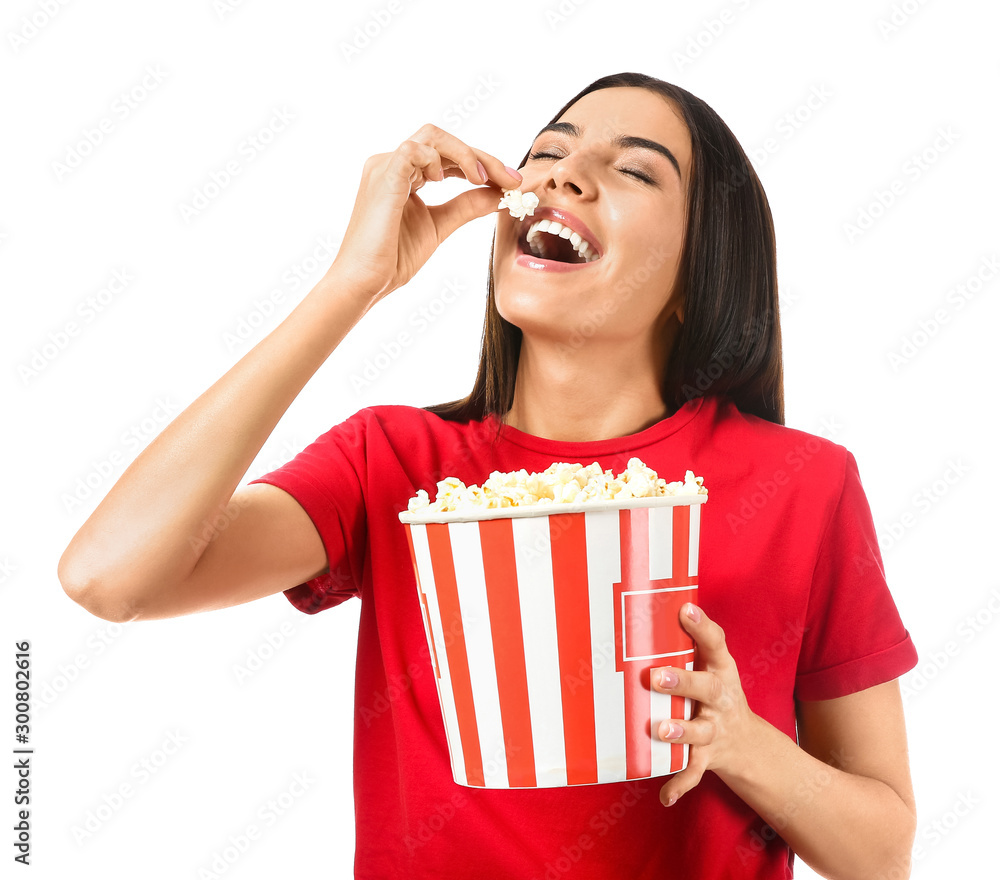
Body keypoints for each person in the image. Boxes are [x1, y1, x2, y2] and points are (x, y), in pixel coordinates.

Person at [59, 71, 918, 878]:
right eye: (546, 154)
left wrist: (743, 742)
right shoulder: (392, 466)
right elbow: (109, 577)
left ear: (700, 275)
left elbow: (883, 850)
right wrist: (351, 284)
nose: (564, 177)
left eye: (633, 171)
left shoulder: (803, 483)